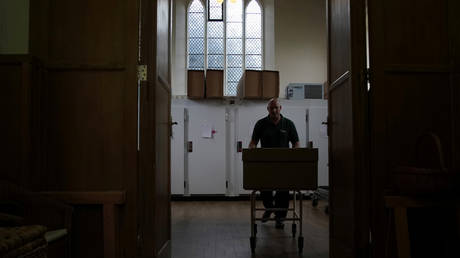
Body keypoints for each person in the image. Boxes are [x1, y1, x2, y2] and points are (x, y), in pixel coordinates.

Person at [249, 98, 300, 229]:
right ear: (268, 109)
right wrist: (251, 154)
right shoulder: (260, 124)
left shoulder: (288, 124)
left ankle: (280, 218)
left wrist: (295, 156)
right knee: (265, 189)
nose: (274, 110)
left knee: (283, 191)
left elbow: (296, 143)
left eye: (276, 107)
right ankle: (270, 208)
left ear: (280, 108)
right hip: (265, 165)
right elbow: (253, 142)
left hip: (284, 165)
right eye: (271, 108)